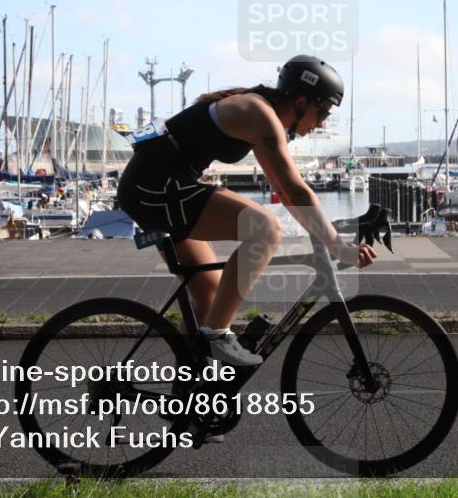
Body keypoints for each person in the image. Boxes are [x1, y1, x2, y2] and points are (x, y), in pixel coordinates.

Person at [117, 55, 377, 367]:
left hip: (153, 189)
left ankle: (189, 382)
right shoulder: (258, 113)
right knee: (265, 228)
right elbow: (294, 191)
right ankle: (216, 336)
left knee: (210, 292)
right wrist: (337, 245)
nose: (321, 122)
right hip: (155, 189)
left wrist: (327, 237)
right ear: (300, 101)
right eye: (322, 111)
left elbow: (284, 190)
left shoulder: (259, 114)